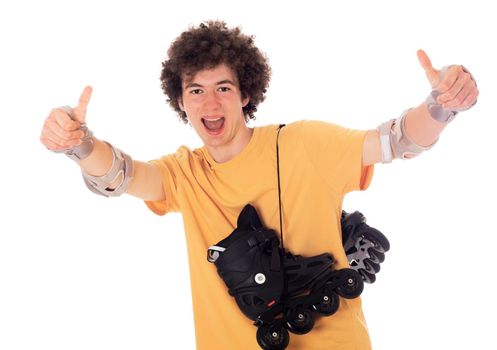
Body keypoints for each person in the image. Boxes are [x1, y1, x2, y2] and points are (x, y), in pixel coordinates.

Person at [39, 21, 478, 350]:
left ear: (245, 93)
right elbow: (121, 175)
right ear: (181, 101)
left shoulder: (304, 143)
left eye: (223, 87)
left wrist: (441, 107)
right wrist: (79, 145)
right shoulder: (184, 174)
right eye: (196, 91)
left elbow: (395, 141)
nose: (210, 103)